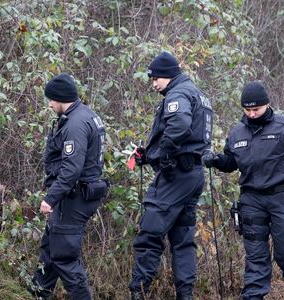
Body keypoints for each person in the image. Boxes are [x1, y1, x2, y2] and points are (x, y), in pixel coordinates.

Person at [203, 81, 284, 300]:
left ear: (267, 104)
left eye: (256, 109)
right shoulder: (237, 133)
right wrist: (216, 160)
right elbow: (231, 163)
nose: (252, 114)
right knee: (255, 257)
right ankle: (252, 296)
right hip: (251, 200)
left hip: (283, 198)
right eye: (247, 110)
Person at [129, 51, 214, 300]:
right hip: (193, 174)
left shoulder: (178, 93)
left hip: (175, 176)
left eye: (155, 78)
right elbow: (189, 137)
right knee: (183, 239)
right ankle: (185, 295)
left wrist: (164, 155)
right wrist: (150, 155)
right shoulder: (196, 93)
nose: (154, 84)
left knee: (149, 233)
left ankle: (138, 292)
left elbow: (179, 125)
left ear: (167, 75)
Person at [28, 73, 109, 299]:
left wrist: (50, 198)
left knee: (64, 258)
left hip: (74, 199)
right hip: (76, 196)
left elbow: (72, 169)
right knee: (49, 253)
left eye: (51, 100)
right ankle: (38, 295)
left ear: (61, 98)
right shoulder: (86, 115)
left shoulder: (75, 124)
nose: (50, 105)